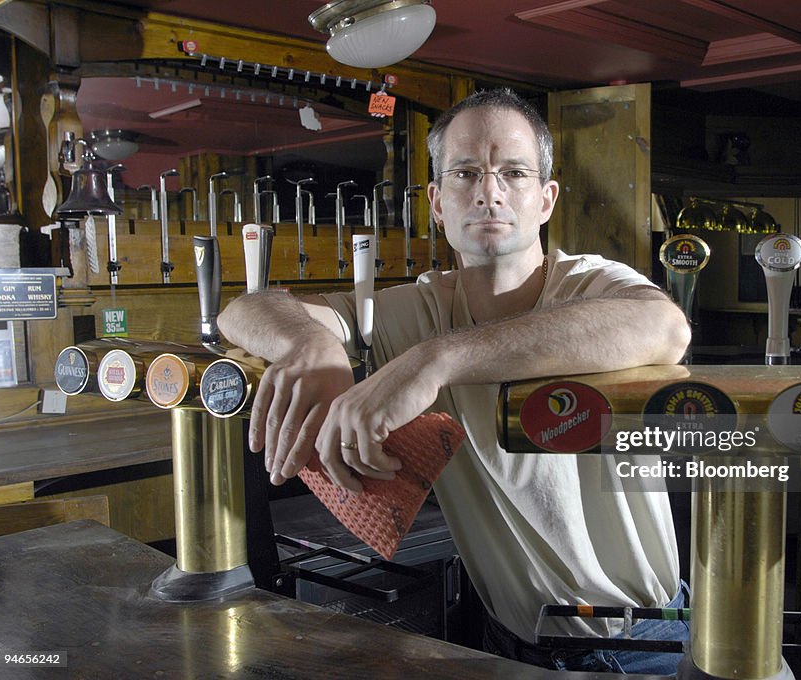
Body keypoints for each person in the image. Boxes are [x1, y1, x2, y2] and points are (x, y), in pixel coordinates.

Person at [217, 88, 691, 674]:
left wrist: (434, 361)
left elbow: (665, 327)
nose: (489, 192)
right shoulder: (413, 309)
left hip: (638, 645)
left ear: (546, 200)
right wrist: (313, 345)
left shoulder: (590, 285)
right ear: (438, 204)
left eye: (513, 173)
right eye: (466, 173)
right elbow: (245, 309)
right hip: (505, 639)